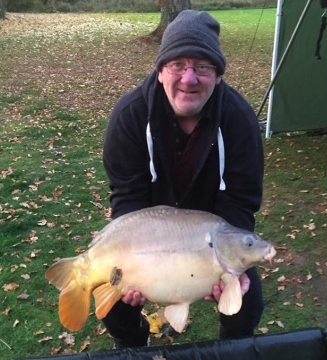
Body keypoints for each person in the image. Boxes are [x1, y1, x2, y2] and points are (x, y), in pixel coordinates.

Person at [102, 9, 264, 348]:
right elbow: (127, 200)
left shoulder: (239, 121)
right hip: (150, 229)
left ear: (218, 75)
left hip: (212, 227)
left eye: (202, 67)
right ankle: (133, 347)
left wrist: (229, 267)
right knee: (115, 306)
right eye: (177, 65)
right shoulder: (129, 117)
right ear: (160, 70)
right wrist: (135, 266)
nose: (189, 78)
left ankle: (232, 350)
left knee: (248, 303)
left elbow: (240, 203)